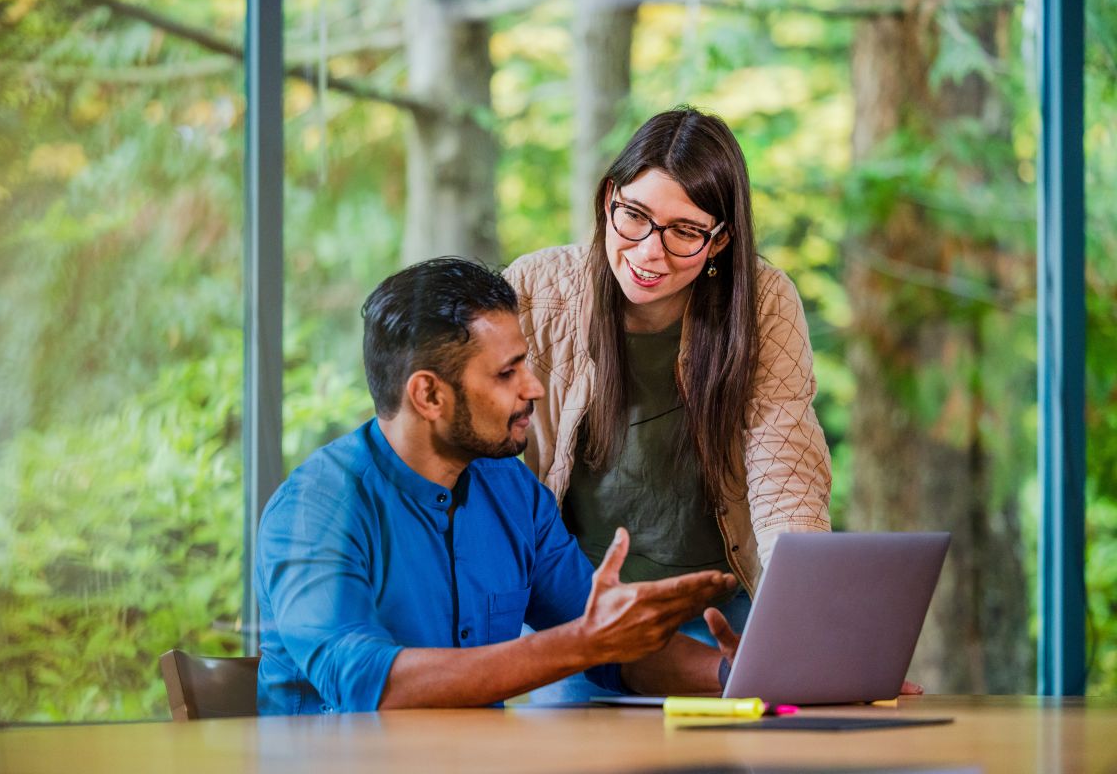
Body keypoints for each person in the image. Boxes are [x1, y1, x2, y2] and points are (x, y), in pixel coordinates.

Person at [254, 257, 743, 714]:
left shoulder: (513, 492)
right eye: (507, 373)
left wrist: (734, 672)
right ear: (428, 394)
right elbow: (366, 682)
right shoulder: (316, 508)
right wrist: (579, 643)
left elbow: (612, 650)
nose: (533, 388)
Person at [504, 108, 832, 683]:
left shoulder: (764, 305)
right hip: (580, 614)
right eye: (634, 216)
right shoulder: (533, 291)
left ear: (721, 239)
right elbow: (494, 475)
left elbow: (787, 484)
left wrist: (808, 640)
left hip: (720, 612)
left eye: (685, 231)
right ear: (609, 198)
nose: (651, 252)